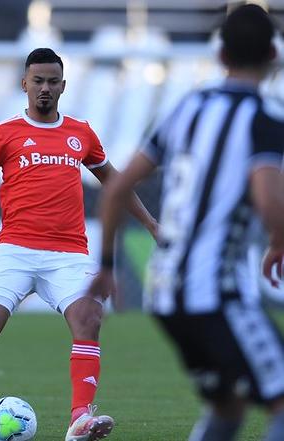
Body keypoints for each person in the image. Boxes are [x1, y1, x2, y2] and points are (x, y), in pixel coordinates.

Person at [0, 48, 158, 441]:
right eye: (37, 81)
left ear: (63, 86)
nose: (45, 88)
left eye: (52, 81)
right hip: (16, 251)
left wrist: (151, 224)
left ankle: (79, 418)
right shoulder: (5, 133)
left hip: (69, 254)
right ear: (24, 83)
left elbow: (116, 183)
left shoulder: (81, 134)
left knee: (89, 320)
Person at [88, 4, 284, 441]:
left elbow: (116, 188)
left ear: (221, 56)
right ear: (274, 54)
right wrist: (279, 240)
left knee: (227, 407)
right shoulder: (266, 122)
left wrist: (104, 264)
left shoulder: (187, 108)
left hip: (166, 295)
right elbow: (270, 198)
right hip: (218, 294)